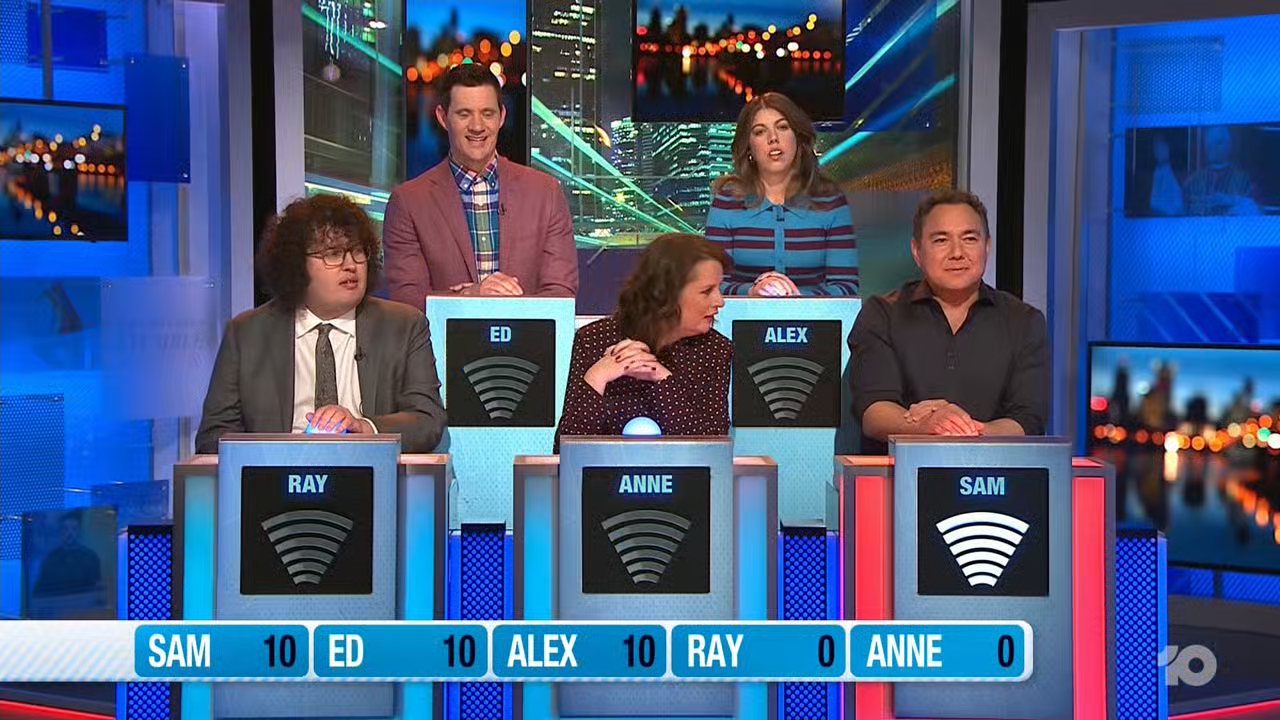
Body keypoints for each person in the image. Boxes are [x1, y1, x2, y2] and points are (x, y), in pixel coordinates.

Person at [196, 194, 447, 454]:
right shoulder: (247, 334)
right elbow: (213, 438)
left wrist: (366, 428)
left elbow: (427, 420)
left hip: (368, 471)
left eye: (358, 251)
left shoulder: (404, 325)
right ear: (296, 263)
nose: (351, 265)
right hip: (277, 473)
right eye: (333, 254)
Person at [849, 190, 1047, 453]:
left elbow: (1028, 418)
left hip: (992, 472)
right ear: (917, 251)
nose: (957, 253)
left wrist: (966, 431)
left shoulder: (1025, 321)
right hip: (900, 472)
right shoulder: (882, 315)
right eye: (941, 240)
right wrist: (928, 425)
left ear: (987, 247)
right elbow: (874, 412)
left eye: (969, 239)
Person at [382, 63, 578, 307]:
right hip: (441, 335)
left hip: (526, 333)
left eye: (487, 113)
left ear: (502, 116)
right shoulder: (408, 203)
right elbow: (408, 301)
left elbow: (560, 295)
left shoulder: (546, 193)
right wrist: (470, 296)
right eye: (464, 114)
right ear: (443, 118)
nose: (477, 126)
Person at [554, 233, 732, 452]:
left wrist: (662, 378)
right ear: (666, 294)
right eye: (707, 291)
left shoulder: (715, 350)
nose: (720, 301)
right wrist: (597, 377)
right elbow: (565, 452)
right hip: (604, 473)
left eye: (719, 289)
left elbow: (712, 450)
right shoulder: (594, 339)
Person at [705, 92, 858, 297]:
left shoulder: (830, 202)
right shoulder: (727, 202)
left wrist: (797, 298)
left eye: (783, 127)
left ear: (798, 137)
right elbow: (712, 285)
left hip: (812, 317)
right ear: (748, 147)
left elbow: (846, 287)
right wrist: (752, 292)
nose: (773, 138)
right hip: (744, 316)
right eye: (760, 132)